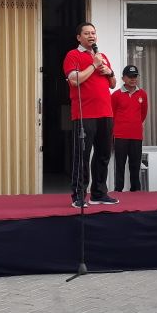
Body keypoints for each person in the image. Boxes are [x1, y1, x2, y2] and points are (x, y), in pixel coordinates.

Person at [64, 22, 117, 207]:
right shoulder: (73, 55)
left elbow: (113, 84)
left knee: (103, 154)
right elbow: (74, 80)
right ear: (79, 37)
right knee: (82, 156)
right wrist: (94, 66)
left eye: (93, 33)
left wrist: (109, 71)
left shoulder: (102, 56)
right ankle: (79, 196)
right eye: (87, 33)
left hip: (106, 112)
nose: (91, 36)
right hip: (84, 113)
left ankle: (99, 193)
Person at [111, 65, 148, 192]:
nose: (133, 79)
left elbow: (143, 114)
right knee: (120, 165)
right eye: (130, 76)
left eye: (135, 76)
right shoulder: (116, 95)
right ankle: (118, 191)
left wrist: (134, 124)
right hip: (120, 136)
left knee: (135, 165)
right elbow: (112, 115)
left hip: (136, 136)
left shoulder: (142, 94)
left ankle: (135, 191)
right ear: (123, 78)